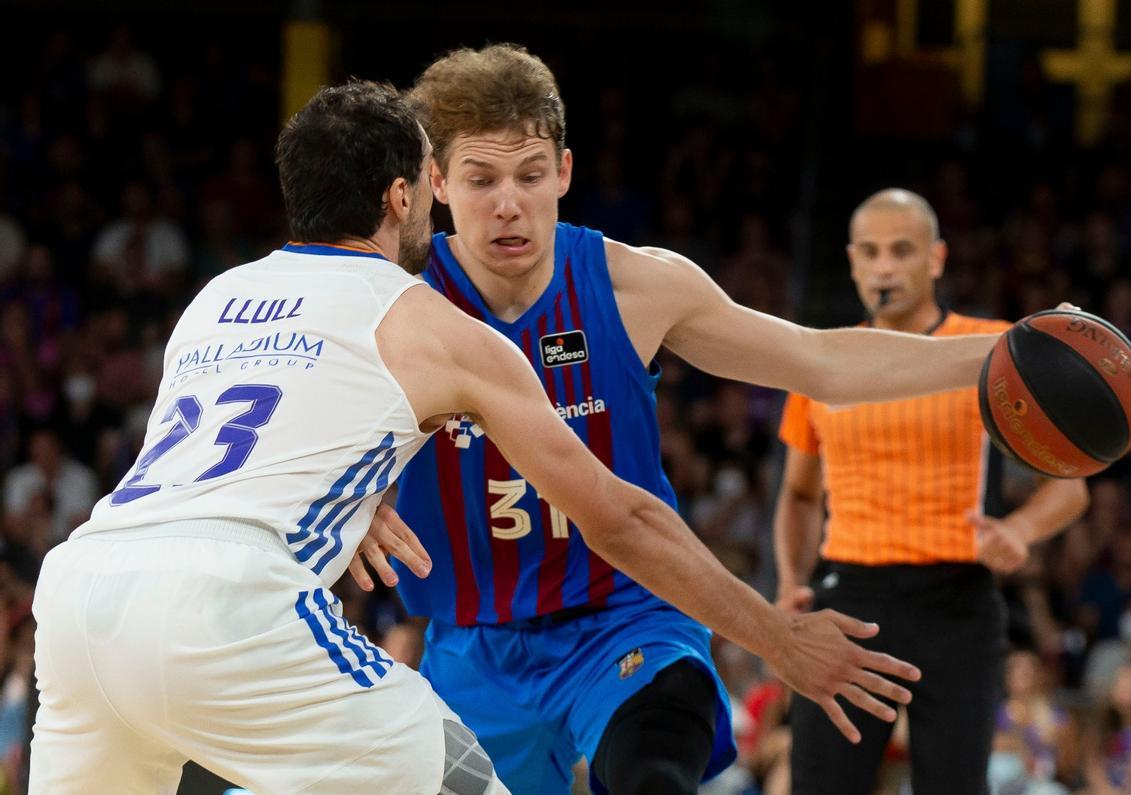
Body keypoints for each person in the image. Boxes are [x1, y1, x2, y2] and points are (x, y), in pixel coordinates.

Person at [28, 80, 917, 795]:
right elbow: (621, 517)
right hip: (248, 603)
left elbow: (276, 431)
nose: (494, 207)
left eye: (526, 175)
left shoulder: (217, 295)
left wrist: (357, 488)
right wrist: (778, 639)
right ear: (408, 193)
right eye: (455, 179)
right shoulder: (421, 313)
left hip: (78, 593)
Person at [348, 46, 1007, 795]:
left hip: (628, 620)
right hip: (476, 646)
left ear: (564, 172)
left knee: (657, 770)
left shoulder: (636, 286)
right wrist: (348, 490)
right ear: (436, 183)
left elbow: (820, 360)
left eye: (529, 176)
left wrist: (998, 352)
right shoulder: (391, 305)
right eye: (481, 180)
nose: (508, 204)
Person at [773, 188, 1090, 794]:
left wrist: (1019, 530)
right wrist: (790, 581)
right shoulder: (823, 361)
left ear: (936, 258)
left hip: (957, 602)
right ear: (851, 261)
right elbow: (799, 495)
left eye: (901, 251)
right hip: (848, 597)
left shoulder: (991, 349)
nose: (884, 267)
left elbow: (1071, 487)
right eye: (870, 253)